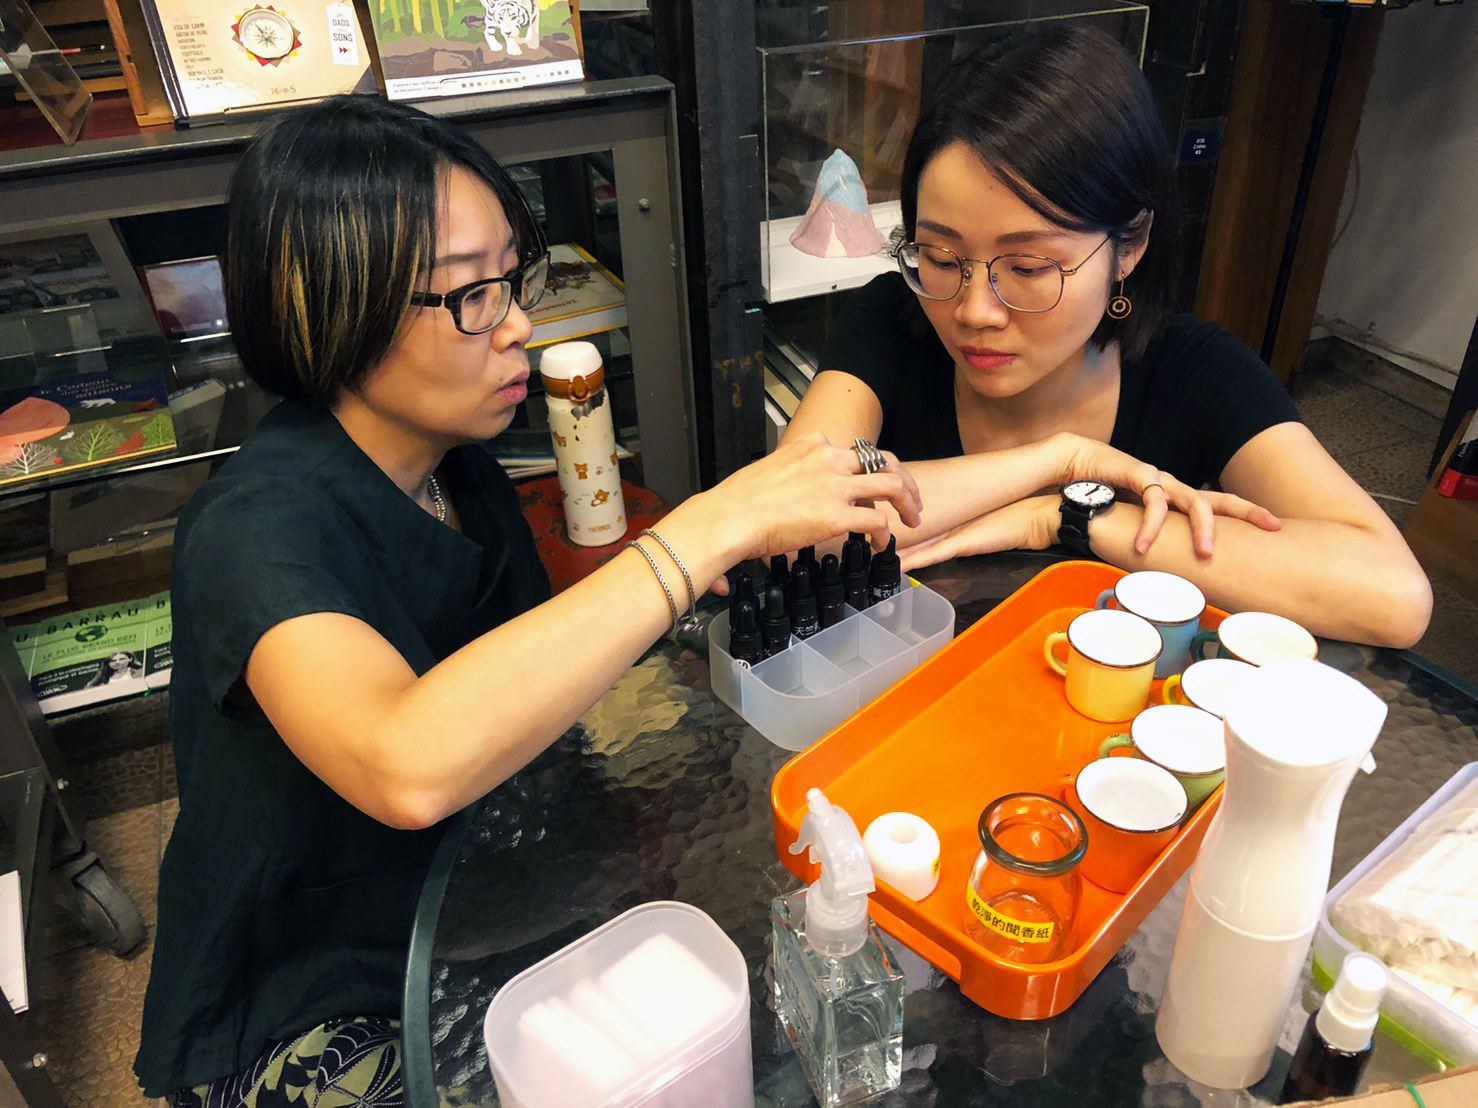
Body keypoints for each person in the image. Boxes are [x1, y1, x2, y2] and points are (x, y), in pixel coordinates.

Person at [133, 95, 928, 1106]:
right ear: (330, 303)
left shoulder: (455, 471)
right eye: (471, 294)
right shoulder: (251, 531)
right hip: (317, 985)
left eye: (511, 280)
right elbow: (407, 762)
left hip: (481, 894)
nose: (517, 323)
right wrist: (703, 532)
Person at [785, 24, 1431, 648]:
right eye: (940, 257)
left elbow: (1391, 593)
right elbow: (790, 529)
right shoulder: (893, 320)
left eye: (1029, 267)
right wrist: (1055, 462)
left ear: (1130, 245)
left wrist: (1069, 515)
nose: (975, 311)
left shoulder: (1193, 371)